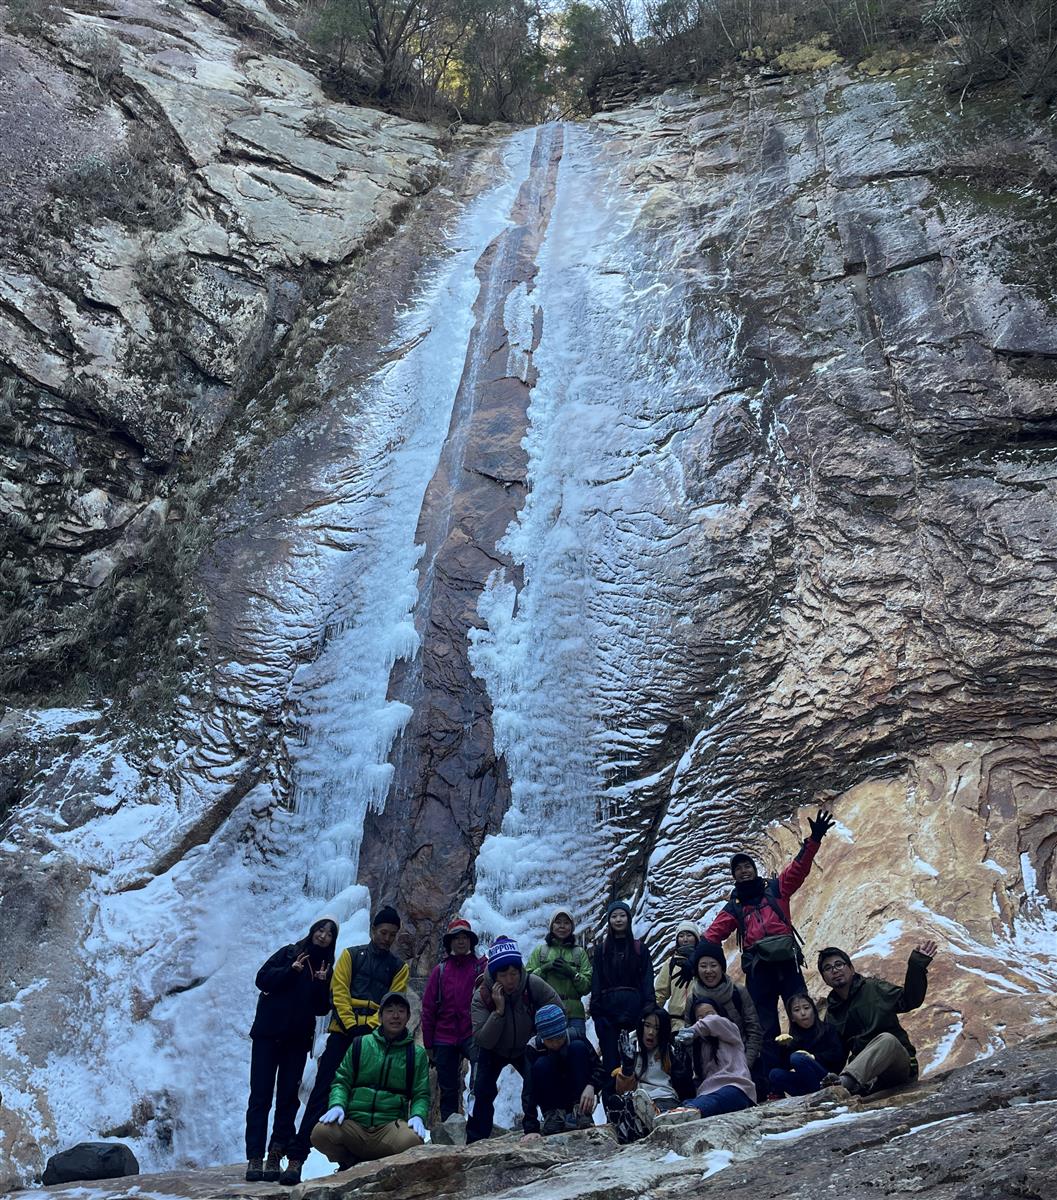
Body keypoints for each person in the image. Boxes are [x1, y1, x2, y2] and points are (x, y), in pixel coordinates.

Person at [282, 906, 408, 1185]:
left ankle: (350, 1162)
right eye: (383, 932)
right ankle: (296, 1159)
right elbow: (339, 992)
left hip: (375, 1039)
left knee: (362, 1098)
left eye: (392, 934)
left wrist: (373, 1029)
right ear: (373, 930)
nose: (387, 938)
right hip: (343, 1033)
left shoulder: (399, 967)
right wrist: (352, 1026)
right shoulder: (351, 956)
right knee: (322, 1094)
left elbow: (393, 1000)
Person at [702, 811, 836, 1049]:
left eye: (747, 866)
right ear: (734, 876)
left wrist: (814, 839)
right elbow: (713, 935)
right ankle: (776, 1074)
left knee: (801, 1011)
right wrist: (693, 953)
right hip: (759, 969)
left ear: (754, 870)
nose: (744, 871)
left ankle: (812, 1062)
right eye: (739, 869)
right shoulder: (735, 906)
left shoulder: (776, 889)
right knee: (765, 1024)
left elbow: (799, 868)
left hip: (786, 963)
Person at [244, 917, 337, 1182]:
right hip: (267, 1035)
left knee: (287, 1099)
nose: (323, 936)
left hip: (296, 1041)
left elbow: (321, 1009)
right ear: (312, 931)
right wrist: (290, 970)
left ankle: (275, 1154)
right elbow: (262, 979)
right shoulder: (288, 953)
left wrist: (320, 983)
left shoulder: (324, 967)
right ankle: (254, 1156)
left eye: (329, 934)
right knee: (260, 1096)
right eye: (321, 930)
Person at [309, 991, 429, 1169]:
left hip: (389, 1127)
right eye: (389, 1011)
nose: (395, 1016)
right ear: (380, 1016)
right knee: (320, 1133)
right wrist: (337, 1104)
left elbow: (421, 1093)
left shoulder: (415, 1054)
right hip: (355, 1125)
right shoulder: (360, 1044)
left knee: (412, 1140)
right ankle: (349, 1163)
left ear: (409, 1016)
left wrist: (418, 1115)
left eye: (401, 1011)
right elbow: (342, 1081)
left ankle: (386, 1167)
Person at [466, 934, 564, 1143]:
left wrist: (540, 1037)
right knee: (483, 1090)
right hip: (493, 1050)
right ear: (494, 975)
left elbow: (557, 1008)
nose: (510, 980)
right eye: (504, 975)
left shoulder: (531, 984)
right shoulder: (482, 996)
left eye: (514, 973)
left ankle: (549, 1122)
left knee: (538, 1079)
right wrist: (498, 1011)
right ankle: (476, 1140)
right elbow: (483, 1039)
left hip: (525, 1045)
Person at [819, 940, 938, 1095]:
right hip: (866, 1077)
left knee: (887, 1039)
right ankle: (852, 1083)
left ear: (851, 969)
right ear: (824, 978)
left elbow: (909, 1000)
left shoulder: (873, 988)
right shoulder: (832, 1013)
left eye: (839, 964)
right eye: (828, 968)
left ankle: (847, 1082)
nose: (835, 970)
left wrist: (917, 965)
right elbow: (836, 1055)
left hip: (896, 1066)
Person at [421, 916, 487, 1120]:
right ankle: (449, 1127)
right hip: (444, 1036)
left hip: (471, 1032)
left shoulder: (479, 968)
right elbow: (428, 1009)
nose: (461, 941)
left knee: (480, 1075)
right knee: (448, 1087)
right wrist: (429, 1044)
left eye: (464, 937)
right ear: (450, 942)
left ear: (470, 941)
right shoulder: (439, 971)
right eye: (456, 937)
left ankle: (477, 1122)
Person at [678, 942, 763, 1091]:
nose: (708, 971)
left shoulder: (738, 992)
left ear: (721, 967)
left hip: (742, 1065)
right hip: (708, 1070)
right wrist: (702, 1067)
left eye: (713, 965)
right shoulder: (693, 999)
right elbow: (690, 1037)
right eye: (703, 966)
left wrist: (745, 1064)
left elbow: (754, 1030)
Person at [603, 1005, 692, 1143]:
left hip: (665, 1098)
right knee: (627, 1102)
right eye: (648, 1026)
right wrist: (627, 1067)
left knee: (661, 1110)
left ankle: (663, 1117)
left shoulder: (670, 1050)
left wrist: (681, 1069)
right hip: (639, 1101)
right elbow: (619, 1090)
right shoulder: (630, 1047)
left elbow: (685, 1089)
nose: (651, 1032)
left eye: (656, 1028)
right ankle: (652, 1121)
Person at [590, 901, 655, 1079]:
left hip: (635, 1015)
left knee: (638, 1062)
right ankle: (613, 1104)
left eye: (622, 915)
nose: (618, 920)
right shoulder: (601, 951)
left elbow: (647, 981)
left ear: (628, 918)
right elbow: (597, 982)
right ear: (609, 920)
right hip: (608, 1017)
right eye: (614, 916)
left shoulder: (640, 949)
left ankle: (638, 1102)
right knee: (611, 1064)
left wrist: (648, 1009)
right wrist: (597, 1015)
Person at [523, 1005, 606, 1136]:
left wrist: (591, 1086)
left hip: (577, 1091)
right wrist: (531, 1129)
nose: (556, 1044)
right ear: (542, 1037)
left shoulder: (576, 1036)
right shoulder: (534, 1048)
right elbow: (529, 1089)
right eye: (550, 1040)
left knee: (577, 1048)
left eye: (559, 1038)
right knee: (541, 1064)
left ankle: (582, 1113)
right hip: (551, 1095)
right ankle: (553, 1116)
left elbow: (599, 1069)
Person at [669, 1001, 757, 1119]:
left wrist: (691, 1031)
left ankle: (680, 1113)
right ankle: (666, 1114)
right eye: (699, 1017)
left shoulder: (731, 1030)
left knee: (711, 1101)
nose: (705, 1019)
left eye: (710, 1014)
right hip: (707, 1094)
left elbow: (714, 1022)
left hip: (736, 1088)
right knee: (693, 1103)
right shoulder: (699, 1047)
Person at [526, 909, 593, 1041]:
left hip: (574, 1014)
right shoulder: (541, 951)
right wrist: (544, 969)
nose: (562, 926)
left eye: (566, 923)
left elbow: (587, 987)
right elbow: (527, 982)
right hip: (546, 1012)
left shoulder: (579, 953)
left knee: (576, 1051)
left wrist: (572, 973)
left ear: (572, 927)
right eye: (558, 922)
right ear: (551, 926)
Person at [767, 992, 846, 1098]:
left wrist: (813, 1058)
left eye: (806, 1008)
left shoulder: (828, 1029)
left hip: (827, 1077)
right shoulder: (793, 1038)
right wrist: (783, 1047)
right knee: (774, 1073)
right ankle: (809, 1095)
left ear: (814, 1010)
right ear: (792, 1018)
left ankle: (819, 1094)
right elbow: (785, 1066)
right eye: (797, 1010)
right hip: (806, 1081)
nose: (803, 1013)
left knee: (797, 1057)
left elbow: (838, 1055)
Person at [653, 921, 700, 1031]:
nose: (685, 939)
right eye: (681, 936)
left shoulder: (702, 962)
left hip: (701, 1021)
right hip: (676, 1023)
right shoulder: (671, 963)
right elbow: (660, 992)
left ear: (696, 938)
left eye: (689, 935)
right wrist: (652, 1013)